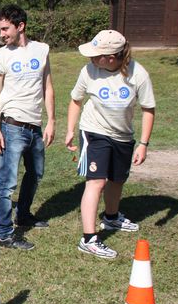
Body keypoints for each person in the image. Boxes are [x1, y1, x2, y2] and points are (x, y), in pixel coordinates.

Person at [65, 30, 155, 259]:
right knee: (96, 181)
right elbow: (76, 100)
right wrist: (69, 130)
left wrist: (143, 143)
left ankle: (111, 217)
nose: (92, 59)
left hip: (123, 136)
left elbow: (148, 109)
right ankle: (89, 239)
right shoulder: (89, 71)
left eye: (97, 55)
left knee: (117, 179)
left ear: (113, 56)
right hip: (94, 131)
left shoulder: (138, 74)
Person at [0, 5, 55, 251]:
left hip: (36, 126)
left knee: (35, 174)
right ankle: (5, 234)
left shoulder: (42, 50)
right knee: (7, 182)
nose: (2, 34)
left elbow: (47, 87)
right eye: (0, 30)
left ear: (21, 26)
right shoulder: (2, 56)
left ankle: (24, 215)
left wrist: (51, 121)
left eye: (6, 28)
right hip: (12, 126)